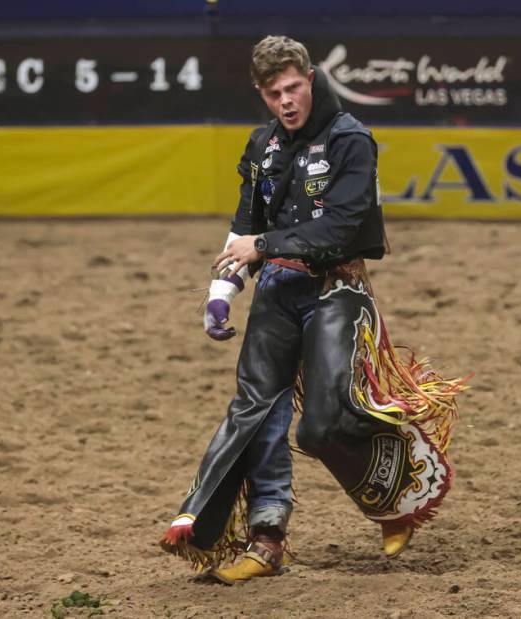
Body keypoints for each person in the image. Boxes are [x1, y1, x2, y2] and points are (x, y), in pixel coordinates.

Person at [159, 35, 467, 584]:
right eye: (274, 92)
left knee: (321, 425)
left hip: (337, 290)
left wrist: (263, 247)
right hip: (278, 290)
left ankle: (396, 500)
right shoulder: (263, 146)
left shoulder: (351, 140)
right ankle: (265, 538)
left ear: (310, 77)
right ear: (263, 93)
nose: (286, 100)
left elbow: (344, 224)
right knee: (259, 415)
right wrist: (221, 293)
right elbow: (244, 226)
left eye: (294, 87)